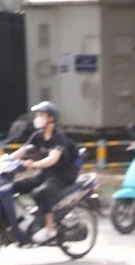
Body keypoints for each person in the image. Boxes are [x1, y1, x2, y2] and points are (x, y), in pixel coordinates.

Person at [7, 100, 81, 244]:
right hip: (46, 173)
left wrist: (33, 164)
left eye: (41, 114)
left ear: (51, 118)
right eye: (38, 114)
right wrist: (4, 161)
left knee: (41, 192)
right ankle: (25, 221)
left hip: (62, 175)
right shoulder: (38, 136)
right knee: (12, 187)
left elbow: (53, 158)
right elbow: (23, 150)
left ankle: (50, 229)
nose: (38, 118)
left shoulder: (58, 137)